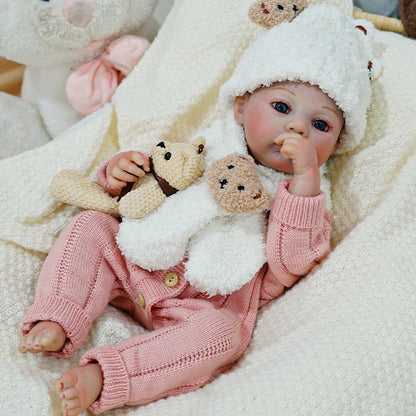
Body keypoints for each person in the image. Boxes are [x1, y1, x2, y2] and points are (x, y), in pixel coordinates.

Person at [19, 5, 379, 416]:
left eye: (321, 125)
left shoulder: (311, 195)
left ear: (337, 142)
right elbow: (153, 180)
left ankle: (108, 375)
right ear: (242, 106)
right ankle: (60, 314)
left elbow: (291, 266)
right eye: (282, 107)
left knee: (222, 337)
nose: (297, 128)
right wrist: (118, 173)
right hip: (135, 260)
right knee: (90, 227)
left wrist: (303, 189)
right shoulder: (209, 143)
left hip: (205, 303)